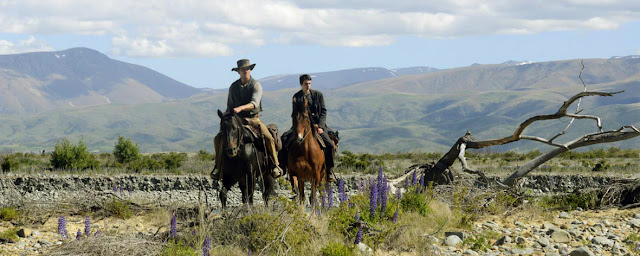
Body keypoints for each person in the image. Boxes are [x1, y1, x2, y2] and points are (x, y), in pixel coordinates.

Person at [212, 59, 282, 180]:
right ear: (238, 71)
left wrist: (240, 108)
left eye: (247, 69)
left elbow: (254, 103)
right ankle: (218, 167)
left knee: (268, 137)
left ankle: (275, 165)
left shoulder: (256, 85)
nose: (245, 71)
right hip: (235, 120)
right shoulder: (233, 87)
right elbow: (229, 106)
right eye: (243, 69)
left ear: (250, 70)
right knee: (218, 138)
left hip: (252, 120)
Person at [280, 74, 336, 182]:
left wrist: (320, 126)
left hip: (317, 126)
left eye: (309, 83)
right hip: (300, 125)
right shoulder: (296, 97)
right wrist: (297, 127)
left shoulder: (318, 95)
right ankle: (284, 167)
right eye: (306, 84)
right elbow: (295, 114)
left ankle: (329, 171)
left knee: (330, 145)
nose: (308, 86)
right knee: (284, 140)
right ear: (301, 84)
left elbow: (323, 111)